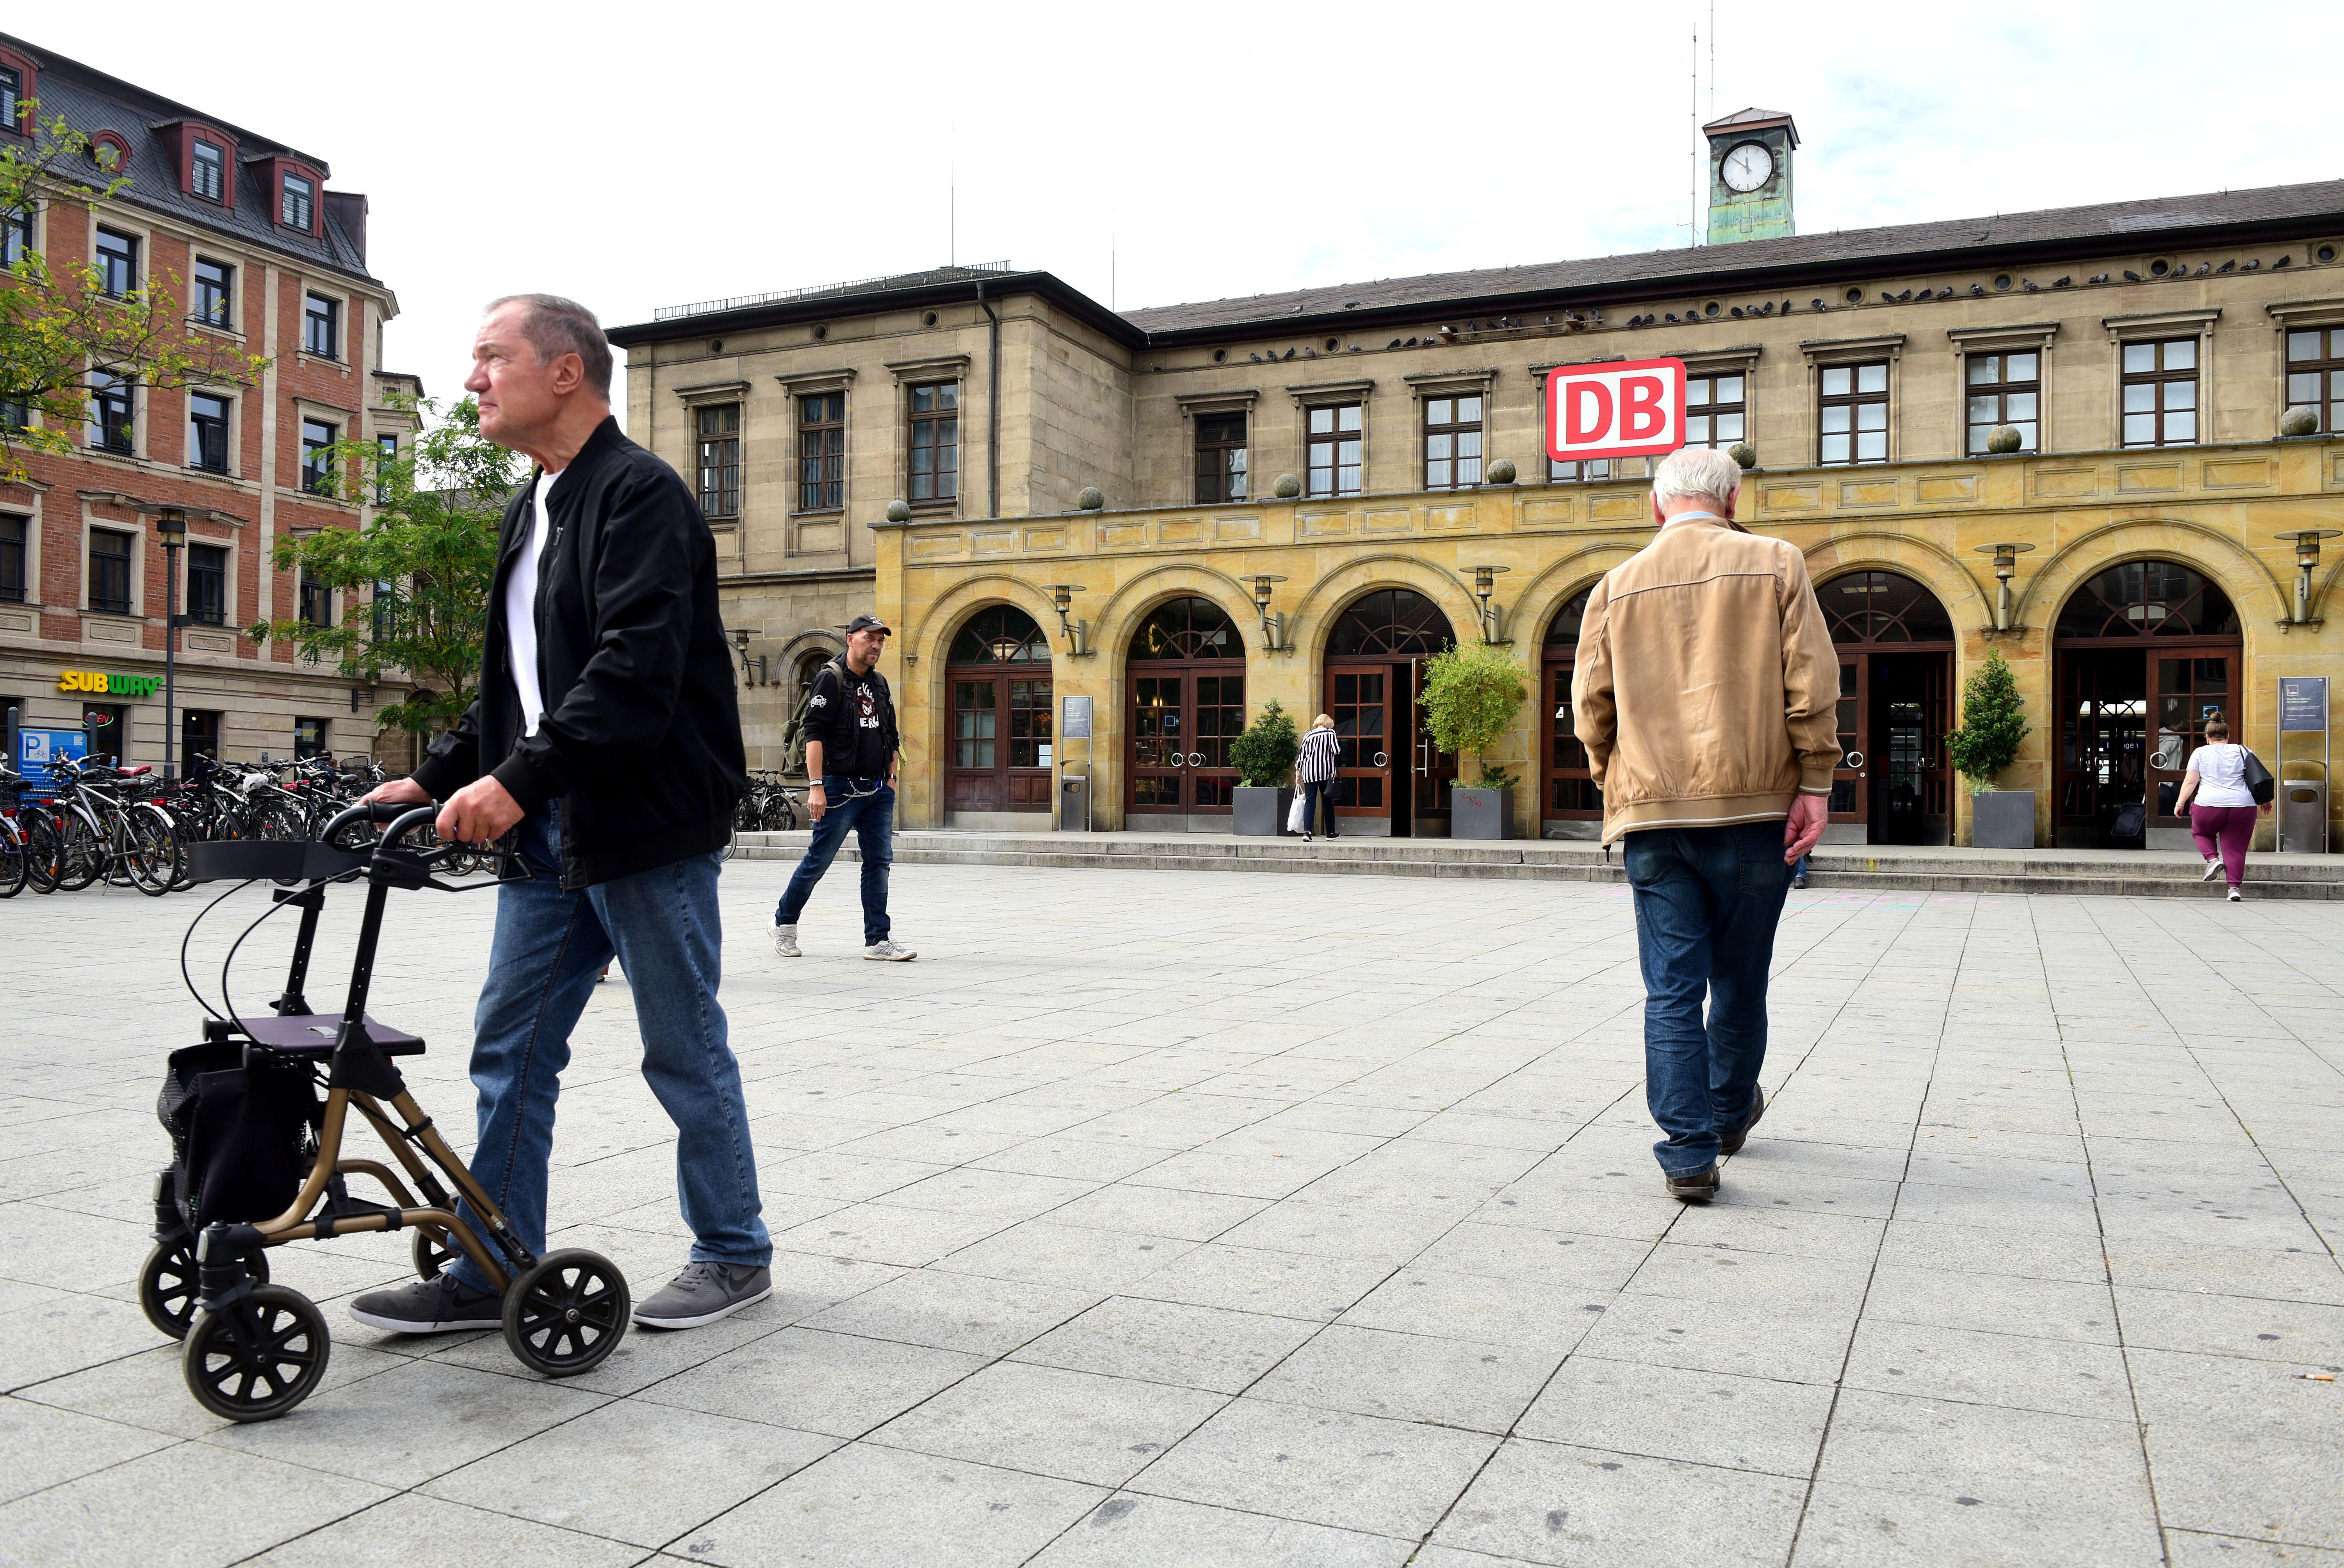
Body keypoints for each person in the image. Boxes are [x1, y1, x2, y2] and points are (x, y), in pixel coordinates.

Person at [351, 293, 771, 1334]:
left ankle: (733, 1252)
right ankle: (490, 1264)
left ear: (566, 373)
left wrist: (517, 782)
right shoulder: (531, 506)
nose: (473, 379)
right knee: (510, 1046)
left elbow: (632, 674)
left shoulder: (641, 496)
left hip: (643, 829)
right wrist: (440, 775)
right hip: (550, 826)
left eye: (492, 357)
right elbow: (518, 686)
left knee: (681, 1046)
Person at [1572, 445, 1837, 1203]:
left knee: (1670, 988)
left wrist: (1614, 782)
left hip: (1654, 819)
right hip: (1756, 810)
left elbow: (1591, 707)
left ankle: (1687, 1152)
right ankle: (1724, 1115)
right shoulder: (1777, 563)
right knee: (1740, 979)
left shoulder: (1613, 587)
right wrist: (1812, 782)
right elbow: (1810, 684)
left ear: (1657, 505)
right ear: (1731, 498)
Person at [772, 614, 914, 960]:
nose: (876, 645)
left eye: (881, 640)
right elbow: (814, 735)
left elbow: (891, 735)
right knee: (819, 860)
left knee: (879, 862)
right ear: (851, 639)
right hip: (839, 788)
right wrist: (816, 787)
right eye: (870, 638)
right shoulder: (830, 678)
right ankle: (784, 924)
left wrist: (892, 779)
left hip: (878, 790)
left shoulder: (879, 683)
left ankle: (878, 941)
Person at [2174, 713, 2267, 903]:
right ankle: (2234, 889)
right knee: (2236, 849)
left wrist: (2180, 803)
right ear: (2228, 736)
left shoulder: (2200, 753)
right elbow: (2259, 777)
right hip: (2243, 806)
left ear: (2207, 738)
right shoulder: (2243, 751)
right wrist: (2265, 800)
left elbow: (2191, 781)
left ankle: (2213, 860)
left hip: (2209, 804)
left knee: (2201, 833)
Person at [1296, 713, 1341, 841]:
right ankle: (1331, 833)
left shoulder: (1308, 735)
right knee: (1327, 802)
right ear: (1328, 724)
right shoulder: (1330, 733)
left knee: (1310, 802)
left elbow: (1302, 756)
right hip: (1325, 773)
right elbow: (1336, 750)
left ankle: (1307, 833)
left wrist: (1298, 774)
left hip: (1309, 773)